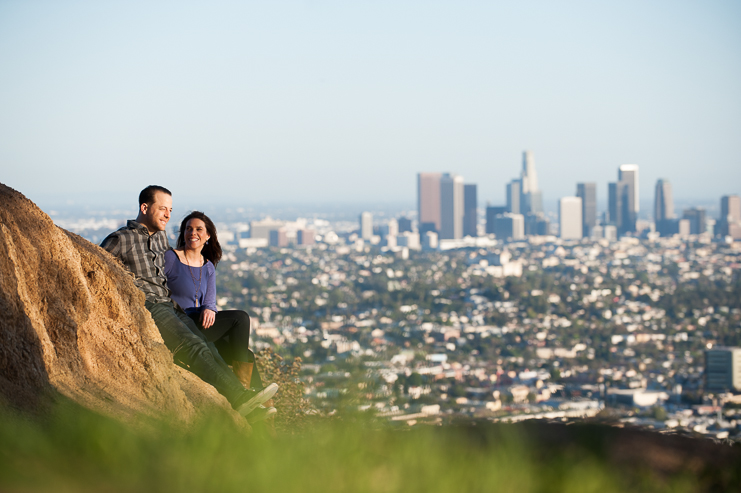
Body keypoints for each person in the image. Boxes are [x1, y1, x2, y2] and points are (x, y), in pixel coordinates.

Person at [100, 185, 277, 423]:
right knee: (193, 347)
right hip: (148, 305)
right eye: (162, 208)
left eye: (170, 210)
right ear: (145, 207)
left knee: (207, 346)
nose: (167, 215)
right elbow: (97, 267)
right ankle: (240, 396)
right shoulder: (122, 239)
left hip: (171, 307)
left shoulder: (161, 239)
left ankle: (246, 399)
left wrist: (208, 307)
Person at [164, 211, 274, 420]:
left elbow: (210, 301)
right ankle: (243, 391)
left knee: (247, 355)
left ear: (208, 237)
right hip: (181, 323)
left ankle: (264, 410)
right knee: (240, 318)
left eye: (198, 229)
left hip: (203, 323)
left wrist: (209, 309)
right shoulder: (171, 258)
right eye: (188, 229)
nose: (192, 233)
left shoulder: (208, 267)